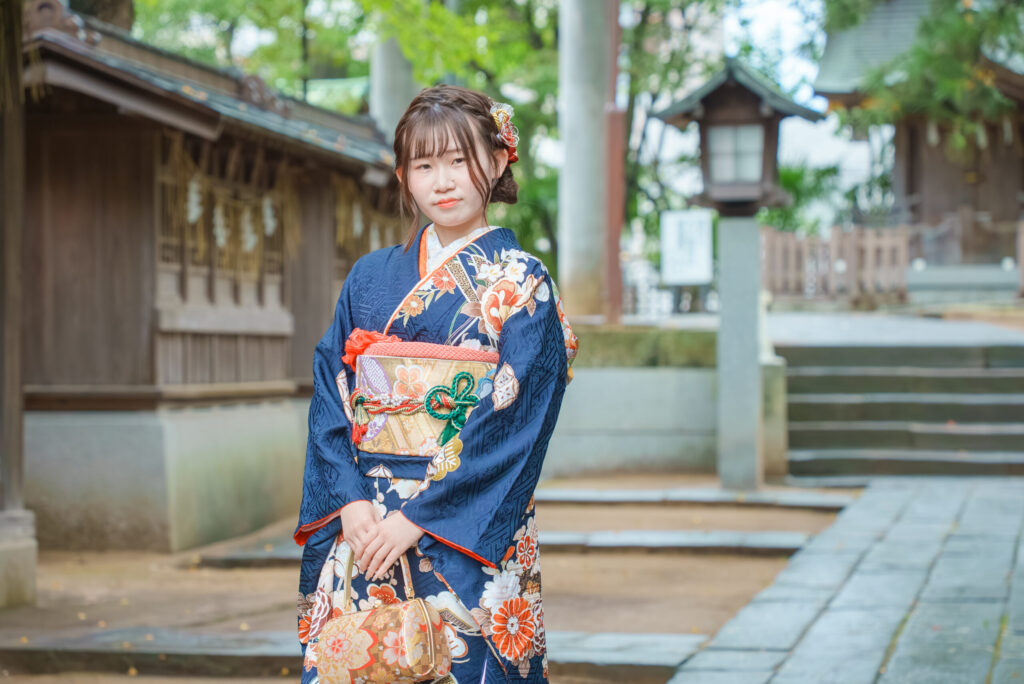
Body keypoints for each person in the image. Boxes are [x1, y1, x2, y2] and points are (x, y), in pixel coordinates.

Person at [293, 84, 578, 684]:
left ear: (497, 163)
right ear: (404, 176)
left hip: (461, 523)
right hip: (366, 520)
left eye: (459, 160)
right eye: (424, 166)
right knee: (367, 664)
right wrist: (347, 499)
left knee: (465, 664)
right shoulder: (371, 277)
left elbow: (515, 412)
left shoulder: (522, 283)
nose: (443, 181)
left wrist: (419, 516)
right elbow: (331, 386)